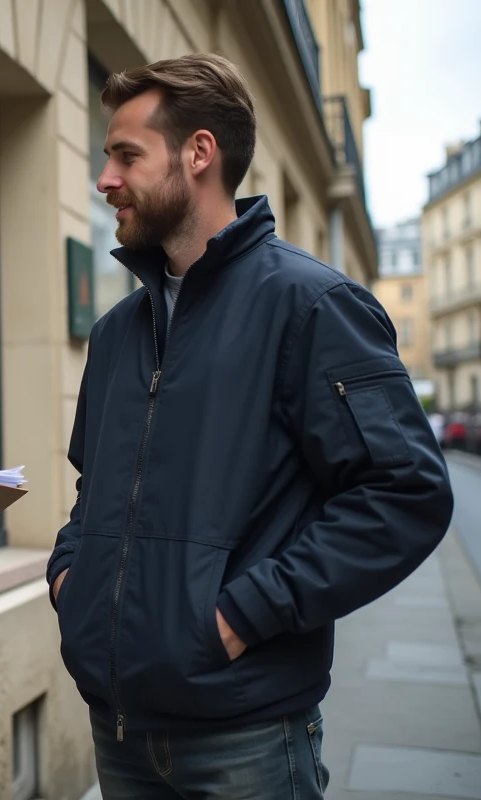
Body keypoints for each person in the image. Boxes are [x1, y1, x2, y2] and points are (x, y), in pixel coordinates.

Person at [47, 53, 453, 799]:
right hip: (119, 731)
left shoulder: (312, 305)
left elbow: (406, 491)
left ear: (199, 153)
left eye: (125, 155)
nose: (105, 180)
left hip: (248, 740)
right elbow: (93, 490)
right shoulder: (115, 335)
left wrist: (244, 612)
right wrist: (70, 579)